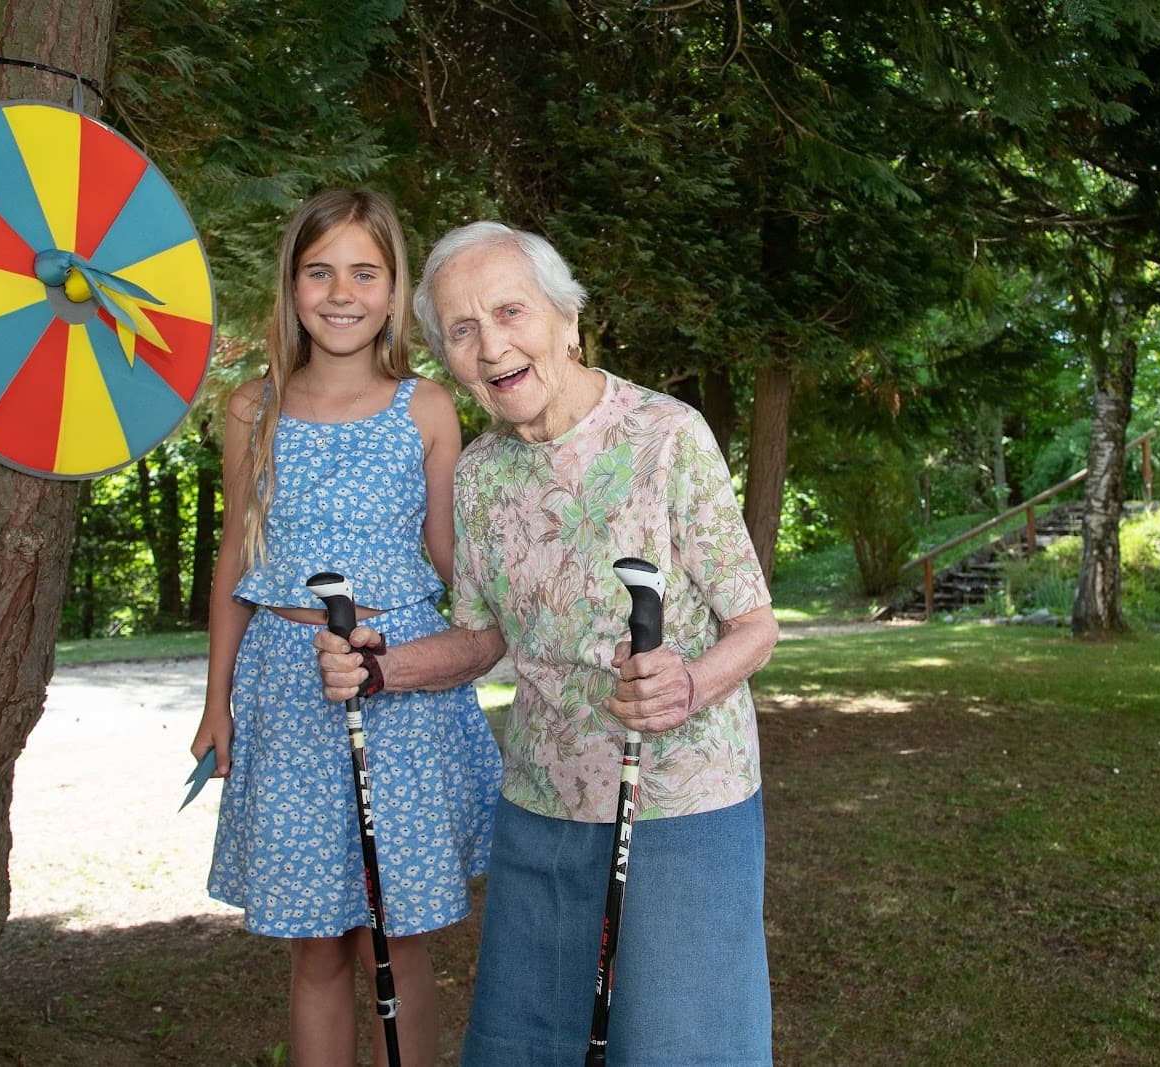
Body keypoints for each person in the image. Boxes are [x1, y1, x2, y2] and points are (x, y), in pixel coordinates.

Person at [315, 220, 780, 1066]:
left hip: (678, 803)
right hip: (539, 809)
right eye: (462, 330)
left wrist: (690, 683)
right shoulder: (482, 475)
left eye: (509, 312)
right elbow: (485, 636)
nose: (491, 346)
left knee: (682, 1045)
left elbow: (755, 624)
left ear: (565, 319)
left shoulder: (667, 436)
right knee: (527, 1048)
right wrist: (381, 669)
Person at [191, 189, 502, 1067]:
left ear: (394, 288)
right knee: (316, 941)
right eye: (319, 271)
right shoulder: (252, 409)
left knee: (394, 935)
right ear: (291, 285)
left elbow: (452, 560)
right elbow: (234, 566)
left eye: (365, 272)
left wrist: (519, 620)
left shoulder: (427, 407)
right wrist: (217, 703)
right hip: (287, 687)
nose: (341, 292)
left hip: (397, 682)